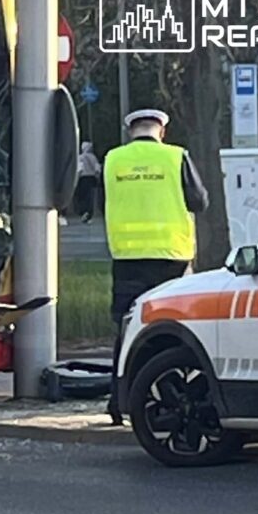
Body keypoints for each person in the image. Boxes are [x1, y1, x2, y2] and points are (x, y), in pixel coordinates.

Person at [103, 108, 209, 424]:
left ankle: (116, 402)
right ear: (161, 131)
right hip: (171, 258)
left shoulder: (112, 160)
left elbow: (101, 202)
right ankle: (173, 397)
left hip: (127, 259)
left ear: (130, 132)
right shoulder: (176, 157)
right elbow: (199, 201)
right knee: (172, 329)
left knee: (126, 330)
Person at [75, 141, 100, 222]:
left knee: (82, 196)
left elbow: (79, 169)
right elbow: (97, 169)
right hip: (91, 178)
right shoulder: (93, 157)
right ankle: (89, 213)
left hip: (82, 178)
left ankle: (83, 211)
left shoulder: (80, 157)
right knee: (90, 197)